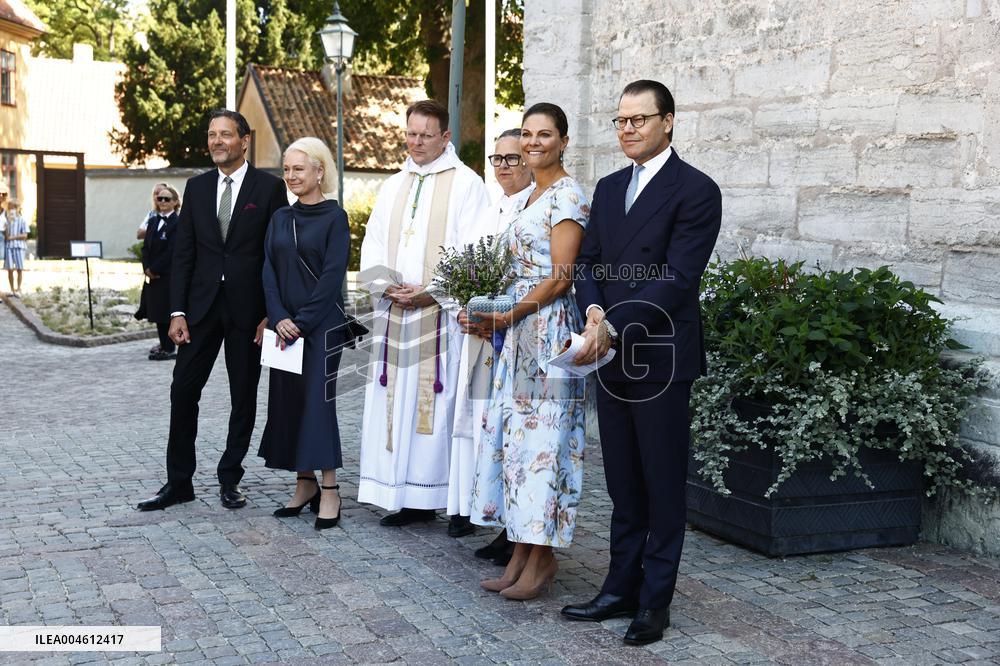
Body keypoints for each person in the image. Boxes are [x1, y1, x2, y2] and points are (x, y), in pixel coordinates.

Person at [563, 80, 722, 646]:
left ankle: (655, 603)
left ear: (669, 122)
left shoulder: (696, 190)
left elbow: (678, 278)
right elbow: (586, 264)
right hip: (607, 350)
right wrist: (592, 314)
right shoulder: (607, 190)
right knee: (623, 483)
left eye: (640, 119)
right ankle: (618, 587)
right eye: (621, 120)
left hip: (658, 357)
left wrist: (613, 327)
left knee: (660, 484)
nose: (627, 129)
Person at [466, 103, 589, 601]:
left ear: (562, 141)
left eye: (545, 134)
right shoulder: (528, 196)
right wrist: (484, 308)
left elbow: (561, 276)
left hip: (546, 333)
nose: (534, 142)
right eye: (528, 135)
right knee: (514, 445)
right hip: (516, 333)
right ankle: (520, 548)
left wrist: (510, 315)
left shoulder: (568, 195)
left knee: (545, 448)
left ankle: (543, 557)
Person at [136, 109, 288, 512]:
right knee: (182, 391)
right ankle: (179, 482)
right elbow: (184, 255)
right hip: (199, 311)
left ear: (244, 140)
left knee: (243, 397)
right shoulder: (197, 187)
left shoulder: (268, 189)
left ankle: (229, 478)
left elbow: (277, 257)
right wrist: (176, 312)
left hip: (248, 313)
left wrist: (271, 313)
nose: (217, 141)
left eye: (225, 135)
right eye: (211, 135)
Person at [357, 99, 490, 533]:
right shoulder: (394, 183)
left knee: (445, 407)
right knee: (398, 404)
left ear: (445, 136)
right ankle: (409, 498)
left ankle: (452, 503)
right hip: (397, 316)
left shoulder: (467, 185)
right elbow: (374, 241)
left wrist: (433, 292)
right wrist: (385, 285)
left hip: (441, 322)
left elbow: (475, 249)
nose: (415, 142)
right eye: (410, 134)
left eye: (425, 135)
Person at [259, 137, 350, 531]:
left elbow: (332, 277)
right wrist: (278, 316)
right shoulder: (280, 217)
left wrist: (302, 321)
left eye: (299, 168)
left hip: (321, 328)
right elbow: (268, 271)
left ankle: (330, 490)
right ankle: (305, 484)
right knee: (289, 404)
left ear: (319, 172)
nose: (291, 176)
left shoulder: (335, 217)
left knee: (317, 405)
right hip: (284, 330)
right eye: (286, 169)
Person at [453, 128, 534, 566]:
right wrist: (467, 310)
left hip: (520, 334)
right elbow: (466, 270)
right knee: (493, 430)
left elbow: (536, 278)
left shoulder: (535, 209)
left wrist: (496, 316)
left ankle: (518, 533)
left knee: (515, 433)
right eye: (497, 159)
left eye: (513, 158)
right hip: (485, 337)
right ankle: (503, 525)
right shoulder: (489, 211)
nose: (504, 167)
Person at [137, 183, 182, 360]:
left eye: (166, 199)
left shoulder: (178, 222)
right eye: (159, 198)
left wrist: (155, 268)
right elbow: (145, 247)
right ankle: (163, 345)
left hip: (168, 275)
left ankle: (169, 347)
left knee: (166, 312)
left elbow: (172, 250)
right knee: (156, 311)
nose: (162, 201)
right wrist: (146, 268)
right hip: (152, 275)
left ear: (175, 202)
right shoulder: (154, 220)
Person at [3, 199, 28, 296]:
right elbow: (6, 236)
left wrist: (12, 237)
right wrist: (5, 228)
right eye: (9, 208)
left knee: (19, 268)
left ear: (17, 209)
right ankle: (12, 289)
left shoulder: (22, 220)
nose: (10, 210)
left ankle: (18, 288)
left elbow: (25, 235)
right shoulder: (6, 221)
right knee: (9, 268)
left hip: (19, 247)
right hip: (9, 247)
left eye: (12, 208)